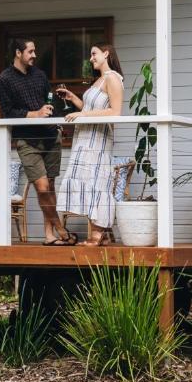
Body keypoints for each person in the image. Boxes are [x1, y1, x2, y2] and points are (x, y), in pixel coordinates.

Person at [0, 38, 76, 246]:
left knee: (50, 186)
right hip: (27, 140)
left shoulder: (39, 75)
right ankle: (61, 229)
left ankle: (49, 236)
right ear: (18, 53)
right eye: (30, 51)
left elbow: (48, 101)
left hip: (50, 136)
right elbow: (8, 112)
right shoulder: (4, 79)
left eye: (34, 51)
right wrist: (35, 114)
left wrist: (57, 121)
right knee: (41, 187)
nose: (34, 55)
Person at [56, 43, 124, 246]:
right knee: (87, 178)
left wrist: (82, 114)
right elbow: (91, 108)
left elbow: (115, 112)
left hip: (99, 138)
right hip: (85, 138)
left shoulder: (112, 78)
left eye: (94, 54)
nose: (91, 58)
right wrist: (74, 99)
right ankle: (96, 232)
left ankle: (98, 234)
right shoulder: (99, 80)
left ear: (106, 53)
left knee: (97, 181)